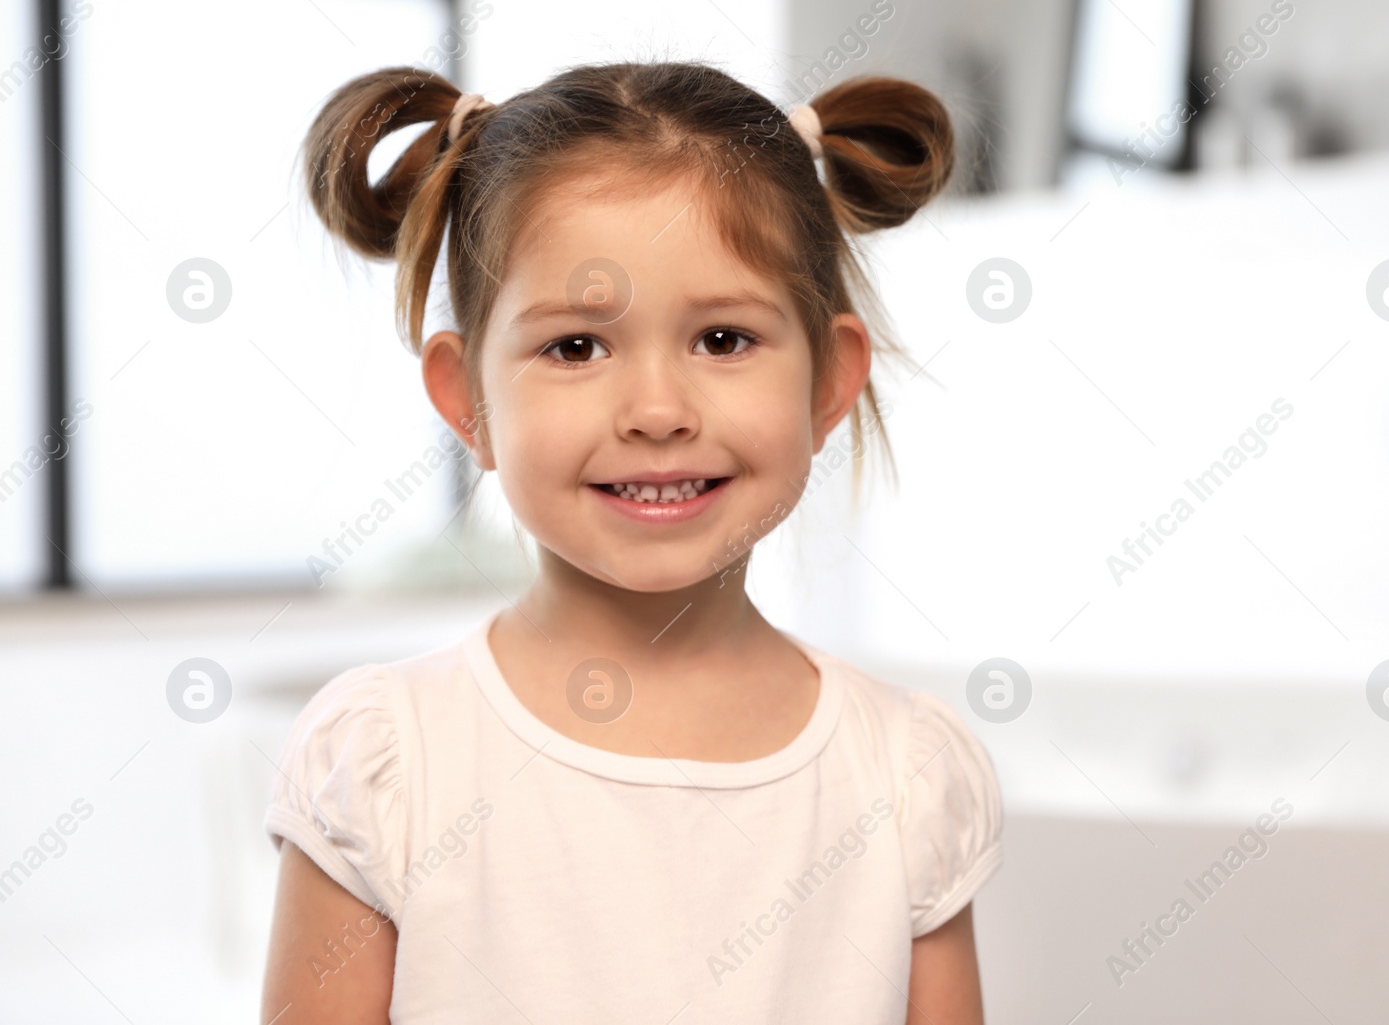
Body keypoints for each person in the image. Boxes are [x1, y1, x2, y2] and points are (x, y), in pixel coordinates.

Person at [259, 58, 1002, 1024]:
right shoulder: (384, 760)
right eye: (576, 346)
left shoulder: (906, 775)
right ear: (469, 401)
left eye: (723, 339)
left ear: (828, 381)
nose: (657, 410)